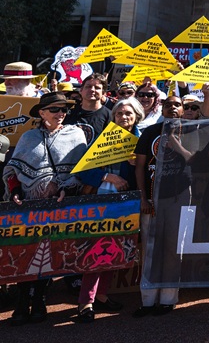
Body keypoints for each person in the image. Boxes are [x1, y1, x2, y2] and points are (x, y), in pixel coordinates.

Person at [3, 92, 87, 325]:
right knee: (25, 252)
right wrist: (16, 191)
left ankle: (39, 300)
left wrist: (67, 189)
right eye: (55, 110)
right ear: (42, 113)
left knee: (49, 253)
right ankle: (22, 302)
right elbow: (13, 170)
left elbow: (81, 170)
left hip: (61, 204)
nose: (61, 114)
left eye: (64, 110)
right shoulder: (29, 137)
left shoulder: (75, 134)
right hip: (30, 203)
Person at [75, 96, 146, 322]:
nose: (123, 117)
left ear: (137, 117)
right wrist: (108, 176)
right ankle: (86, 302)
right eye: (118, 113)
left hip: (127, 204)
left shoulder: (141, 141)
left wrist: (139, 165)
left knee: (114, 250)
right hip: (101, 203)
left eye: (128, 114)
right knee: (95, 250)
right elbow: (82, 172)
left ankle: (102, 296)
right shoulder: (101, 139)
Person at [132, 95, 185, 317]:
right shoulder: (149, 132)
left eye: (177, 105)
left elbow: (196, 162)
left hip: (178, 200)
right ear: (161, 108)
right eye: (168, 104)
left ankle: (168, 299)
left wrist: (176, 144)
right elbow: (140, 167)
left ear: (183, 110)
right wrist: (143, 198)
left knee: (173, 250)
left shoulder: (192, 131)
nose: (172, 107)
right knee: (151, 250)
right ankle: (147, 299)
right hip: (152, 201)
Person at [66, 73, 113, 145]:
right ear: (81, 90)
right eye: (88, 86)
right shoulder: (68, 114)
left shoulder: (110, 116)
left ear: (104, 93)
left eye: (97, 87)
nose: (92, 90)